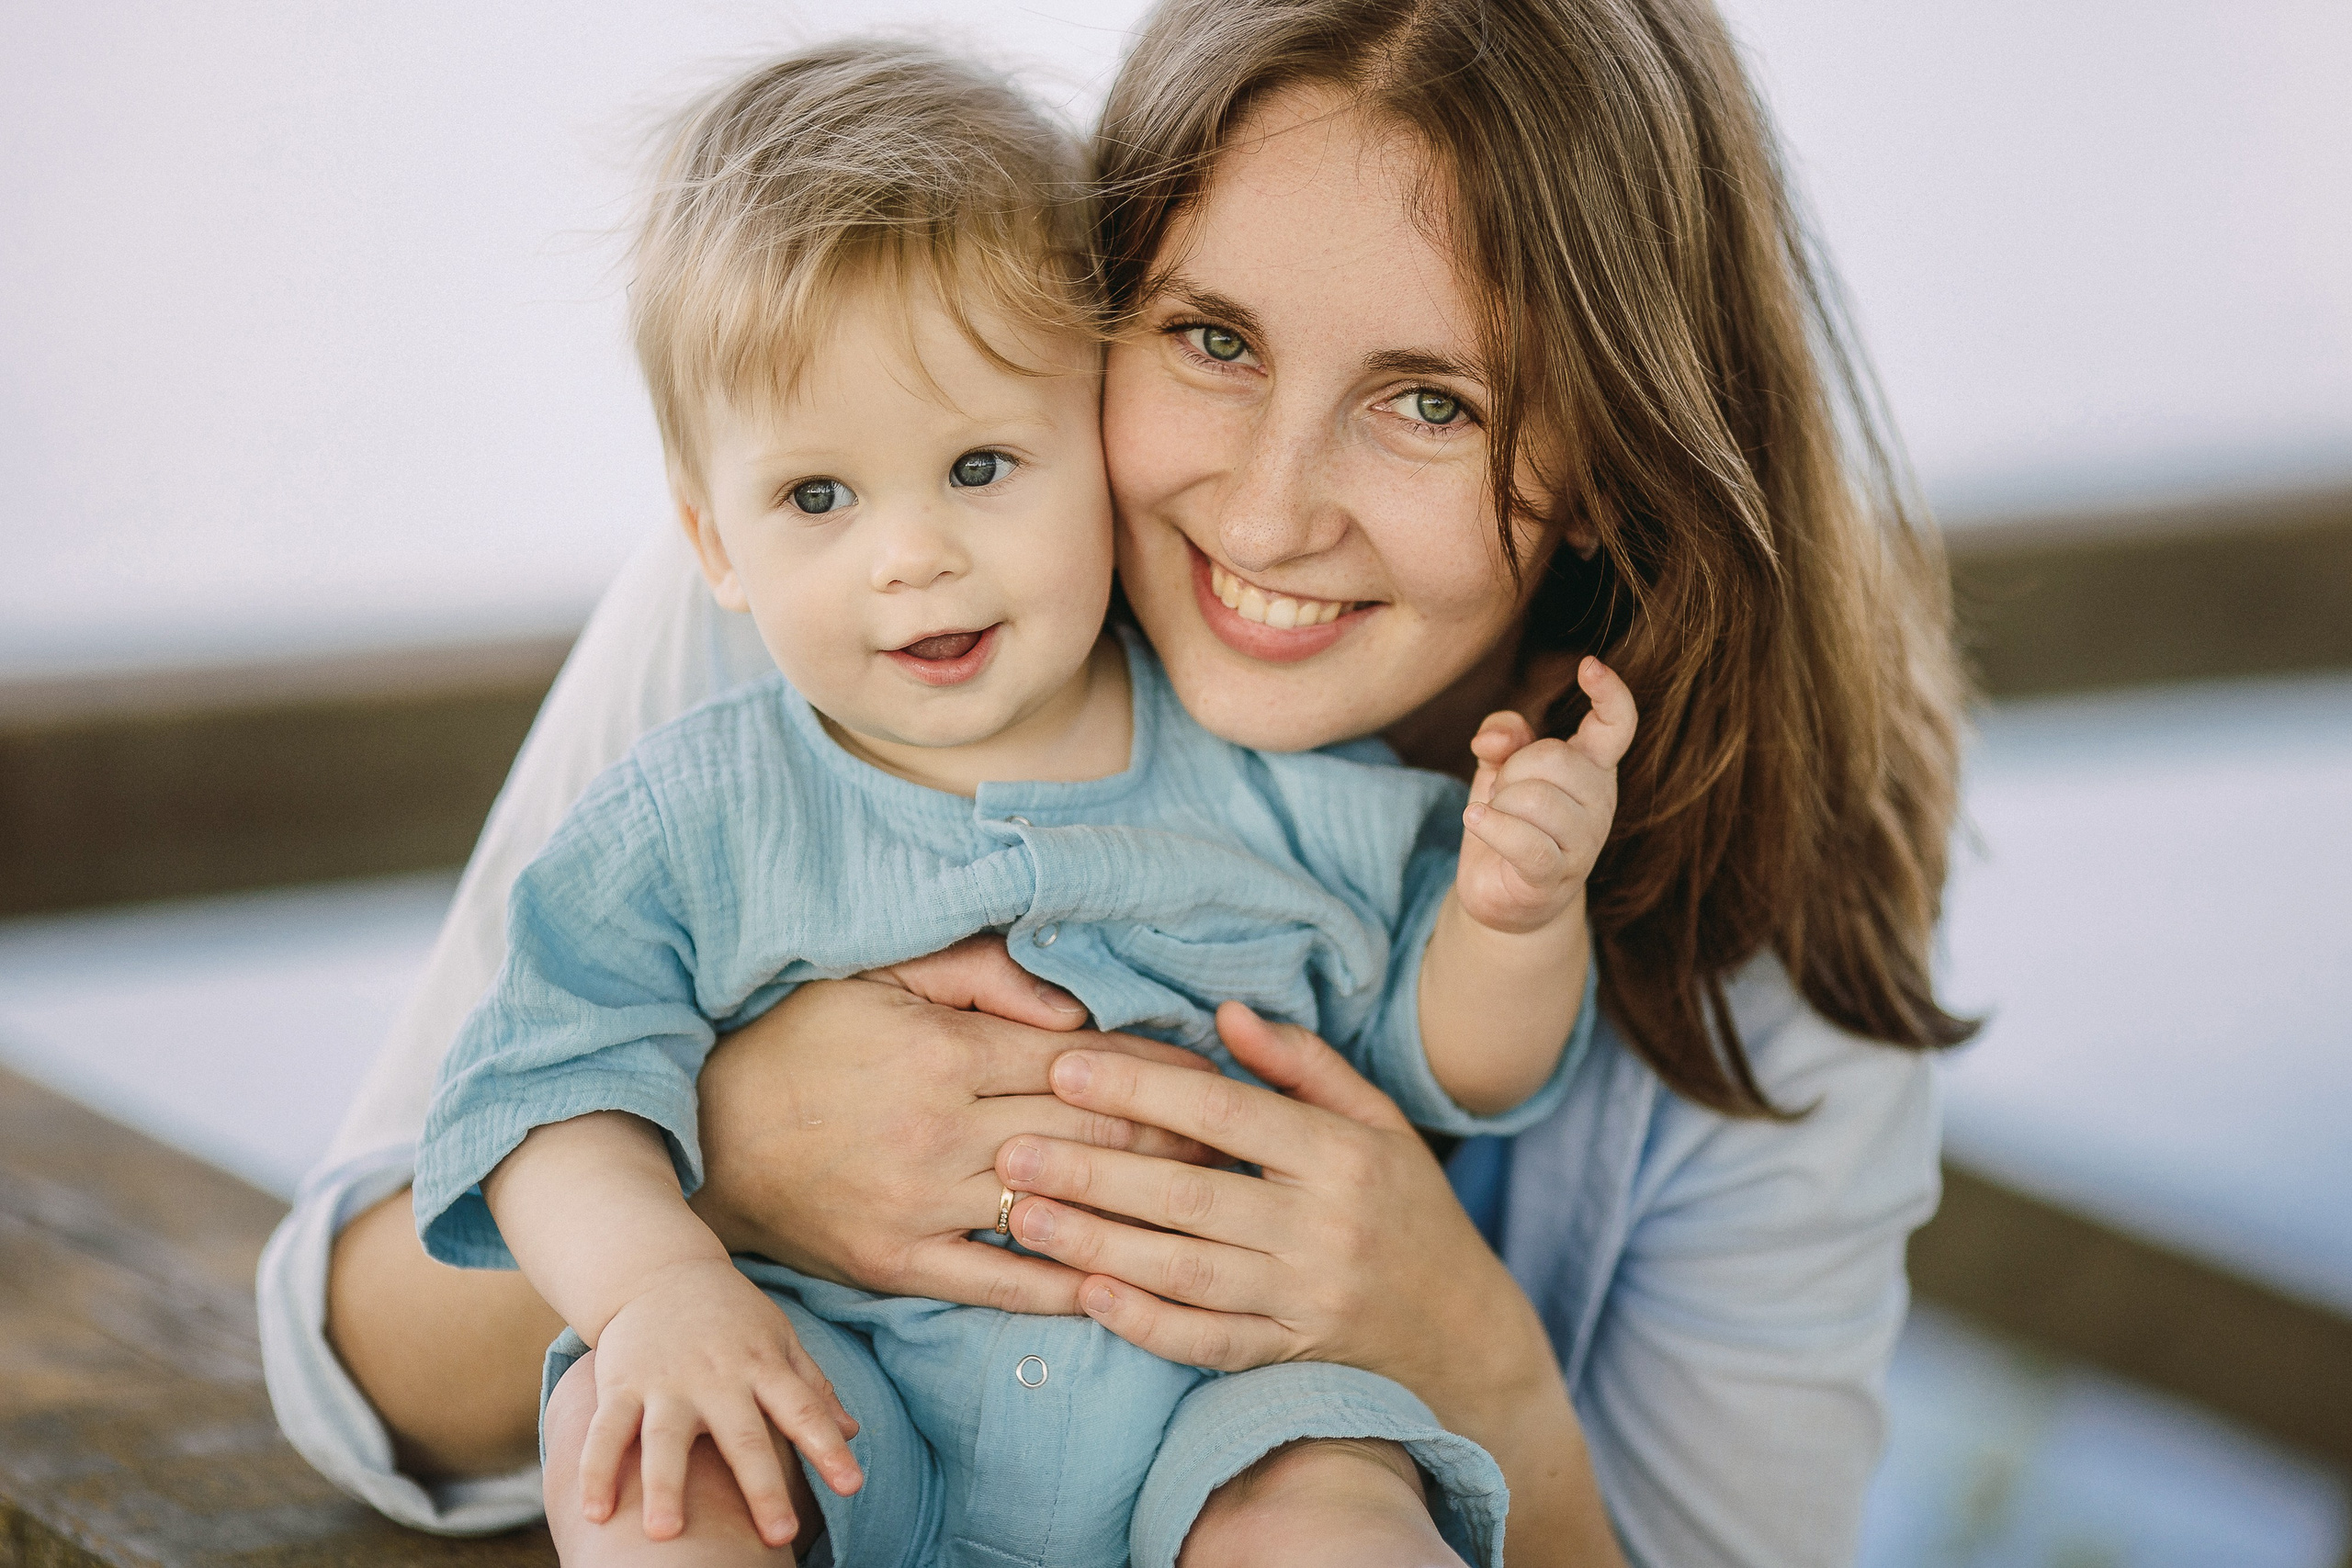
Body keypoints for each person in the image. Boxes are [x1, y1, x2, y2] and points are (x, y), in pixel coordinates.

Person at [259, 2, 1973, 1564]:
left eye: (1434, 403)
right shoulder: (835, 588)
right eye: (1211, 340)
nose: (1271, 510)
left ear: (1611, 461)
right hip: (857, 1440)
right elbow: (357, 1351)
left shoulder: (1757, 957)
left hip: (1210, 1454)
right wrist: (729, 1165)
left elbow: (1463, 1027)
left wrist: (1471, 1361)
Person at [411, 39, 1635, 1568]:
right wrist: (658, 1286)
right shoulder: (694, 815)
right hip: (833, 1390)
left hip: (1215, 1424)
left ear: (1096, 430)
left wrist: (1516, 913)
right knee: (642, 1449)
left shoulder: (1274, 778)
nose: (908, 556)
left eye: (982, 464)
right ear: (708, 541)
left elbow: (1462, 1065)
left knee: (1338, 1501)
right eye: (817, 499)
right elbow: (542, 1090)